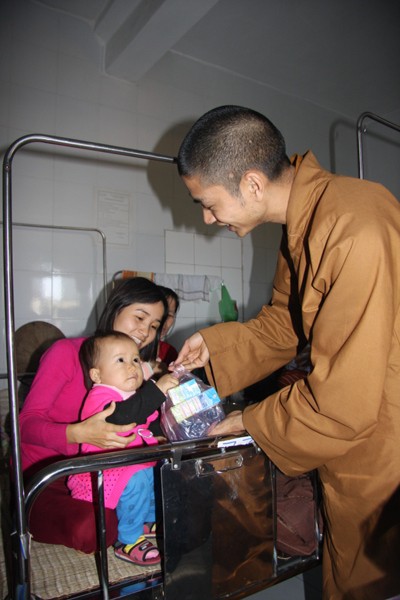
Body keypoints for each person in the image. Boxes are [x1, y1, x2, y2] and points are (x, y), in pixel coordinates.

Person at [174, 106, 400, 600]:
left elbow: (344, 402)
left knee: (373, 577)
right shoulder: (303, 224)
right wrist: (214, 346)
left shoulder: (354, 224)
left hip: (384, 442)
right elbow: (286, 323)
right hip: (359, 436)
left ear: (252, 184)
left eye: (208, 204)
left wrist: (251, 421)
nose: (208, 219)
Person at [19, 277, 169, 553]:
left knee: (166, 494)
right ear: (115, 309)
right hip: (49, 476)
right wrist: (78, 433)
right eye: (139, 317)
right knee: (97, 528)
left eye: (153, 325)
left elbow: (141, 420)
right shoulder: (65, 353)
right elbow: (25, 425)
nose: (145, 331)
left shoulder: (134, 370)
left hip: (105, 471)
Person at [68, 331, 178, 565]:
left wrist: (159, 435)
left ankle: (147, 520)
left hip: (132, 461)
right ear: (97, 374)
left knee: (157, 474)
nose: (132, 366)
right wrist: (156, 391)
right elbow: (123, 416)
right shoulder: (100, 396)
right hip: (103, 468)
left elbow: (148, 420)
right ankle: (128, 539)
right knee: (137, 481)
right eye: (121, 360)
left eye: (136, 359)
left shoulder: (134, 394)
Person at [156, 286, 180, 369]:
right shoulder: (128, 348)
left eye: (169, 315)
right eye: (159, 313)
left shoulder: (169, 352)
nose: (164, 320)